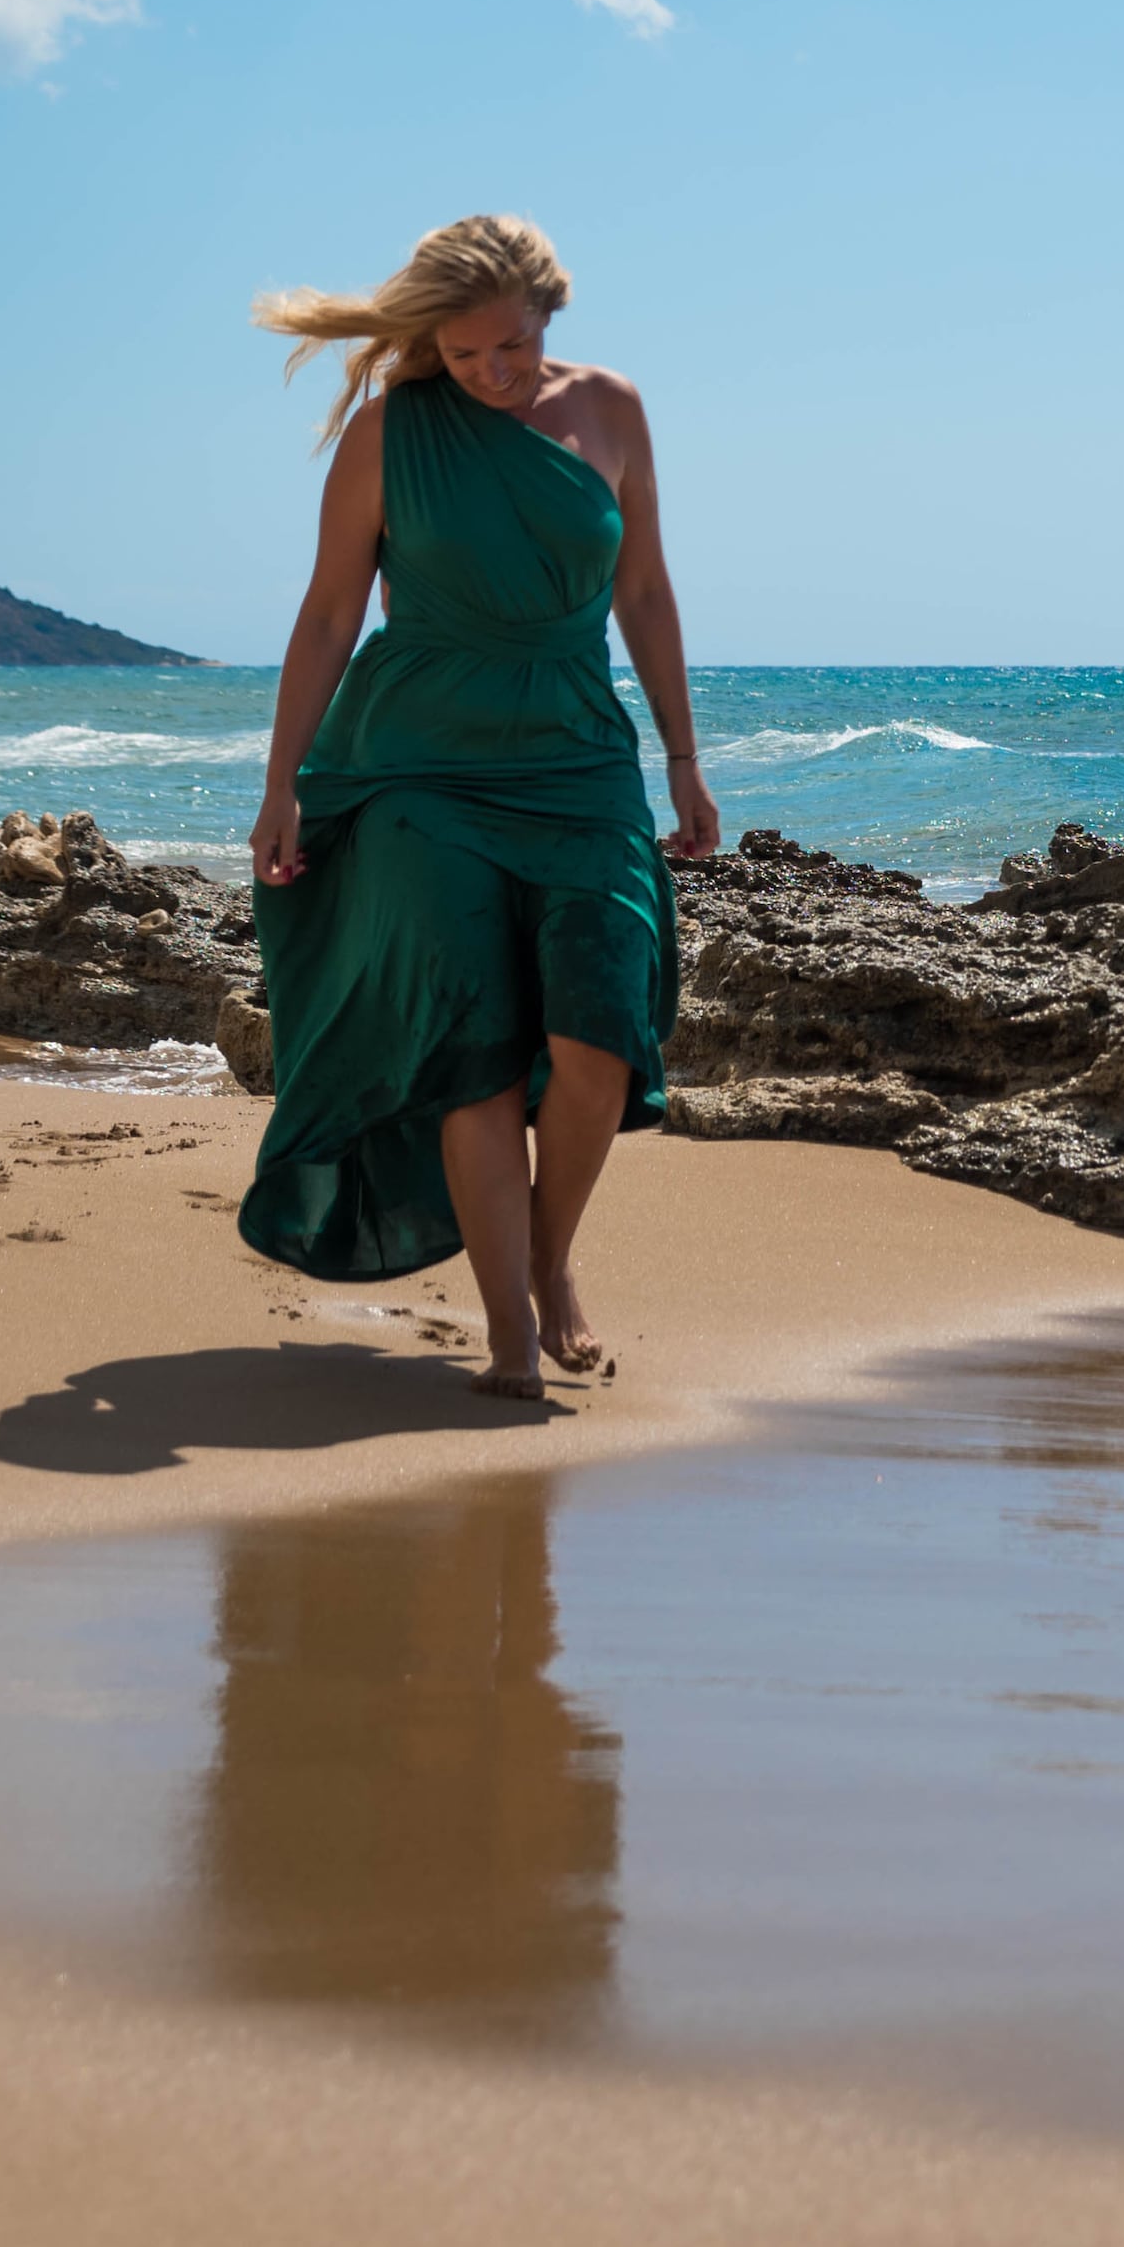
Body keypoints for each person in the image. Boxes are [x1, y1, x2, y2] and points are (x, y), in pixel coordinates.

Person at [235, 215, 718, 1398]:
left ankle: (551, 1264)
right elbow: (325, 616)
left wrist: (684, 759)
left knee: (600, 1035)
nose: (490, 374)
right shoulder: (391, 433)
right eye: (462, 358)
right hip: (416, 764)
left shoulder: (611, 410)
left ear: (546, 313)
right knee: (471, 1050)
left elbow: (644, 590)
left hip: (576, 753)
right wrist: (281, 780)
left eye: (507, 346)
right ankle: (511, 1333)